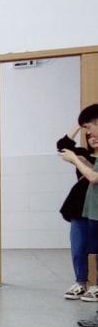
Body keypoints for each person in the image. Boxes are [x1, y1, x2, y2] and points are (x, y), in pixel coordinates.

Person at [60, 106, 98, 314]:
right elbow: (63, 145)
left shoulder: (86, 161)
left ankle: (96, 286)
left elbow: (94, 177)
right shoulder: (83, 154)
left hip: (95, 209)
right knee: (78, 247)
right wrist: (80, 124)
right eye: (88, 134)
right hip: (79, 209)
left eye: (92, 129)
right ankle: (80, 282)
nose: (92, 137)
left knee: (96, 248)